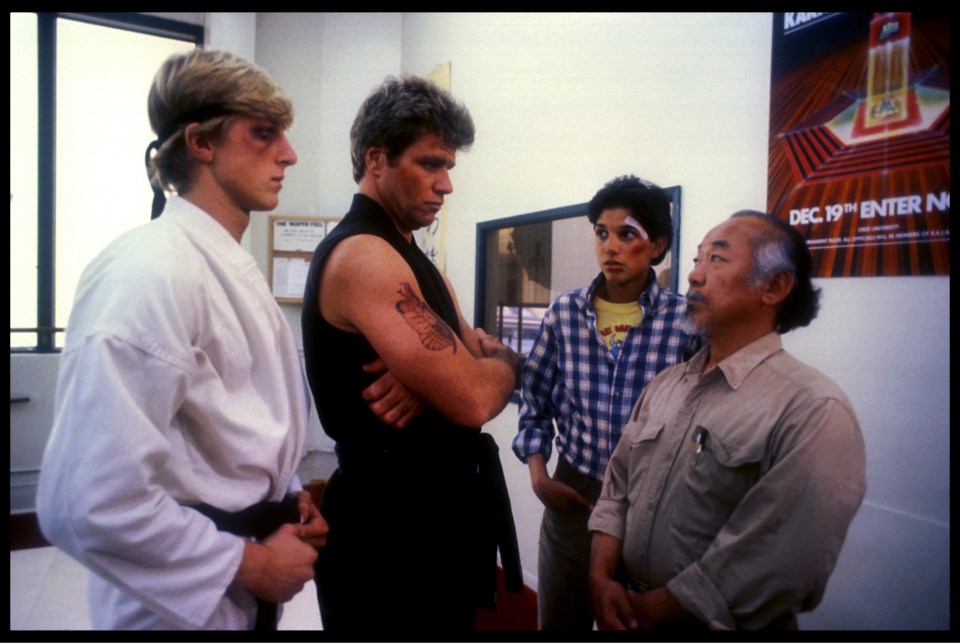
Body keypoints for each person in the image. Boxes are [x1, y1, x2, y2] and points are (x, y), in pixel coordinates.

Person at [36, 49, 328, 630]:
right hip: (173, 615)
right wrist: (248, 561)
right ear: (201, 143)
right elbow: (86, 502)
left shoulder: (215, 263)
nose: (288, 155)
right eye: (264, 134)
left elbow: (224, 429)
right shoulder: (150, 270)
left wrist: (286, 498)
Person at [300, 74, 523, 631]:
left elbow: (469, 362)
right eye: (430, 164)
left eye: (449, 167)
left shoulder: (413, 261)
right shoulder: (366, 256)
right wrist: (494, 368)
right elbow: (474, 396)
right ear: (377, 160)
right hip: (387, 542)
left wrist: (444, 377)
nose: (446, 184)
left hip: (434, 529)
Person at [588, 211, 867, 631]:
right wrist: (600, 575)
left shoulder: (812, 408)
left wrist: (648, 612)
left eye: (716, 260)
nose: (694, 278)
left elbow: (778, 559)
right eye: (697, 260)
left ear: (774, 286)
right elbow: (618, 486)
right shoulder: (666, 385)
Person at [511, 175, 697, 630]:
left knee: (637, 623)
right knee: (560, 619)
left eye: (626, 234)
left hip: (650, 498)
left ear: (656, 246)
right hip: (575, 490)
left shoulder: (686, 321)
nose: (610, 246)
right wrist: (538, 475)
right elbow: (534, 398)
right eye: (601, 233)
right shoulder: (565, 313)